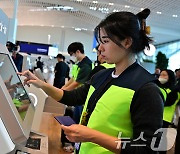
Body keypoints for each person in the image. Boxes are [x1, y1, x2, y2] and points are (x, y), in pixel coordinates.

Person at [19, 9, 164, 154]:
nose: (100, 48)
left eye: (105, 41)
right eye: (100, 41)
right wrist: (40, 84)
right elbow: (73, 97)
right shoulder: (101, 75)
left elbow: (146, 148)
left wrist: (91, 136)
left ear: (127, 42)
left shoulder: (146, 89)